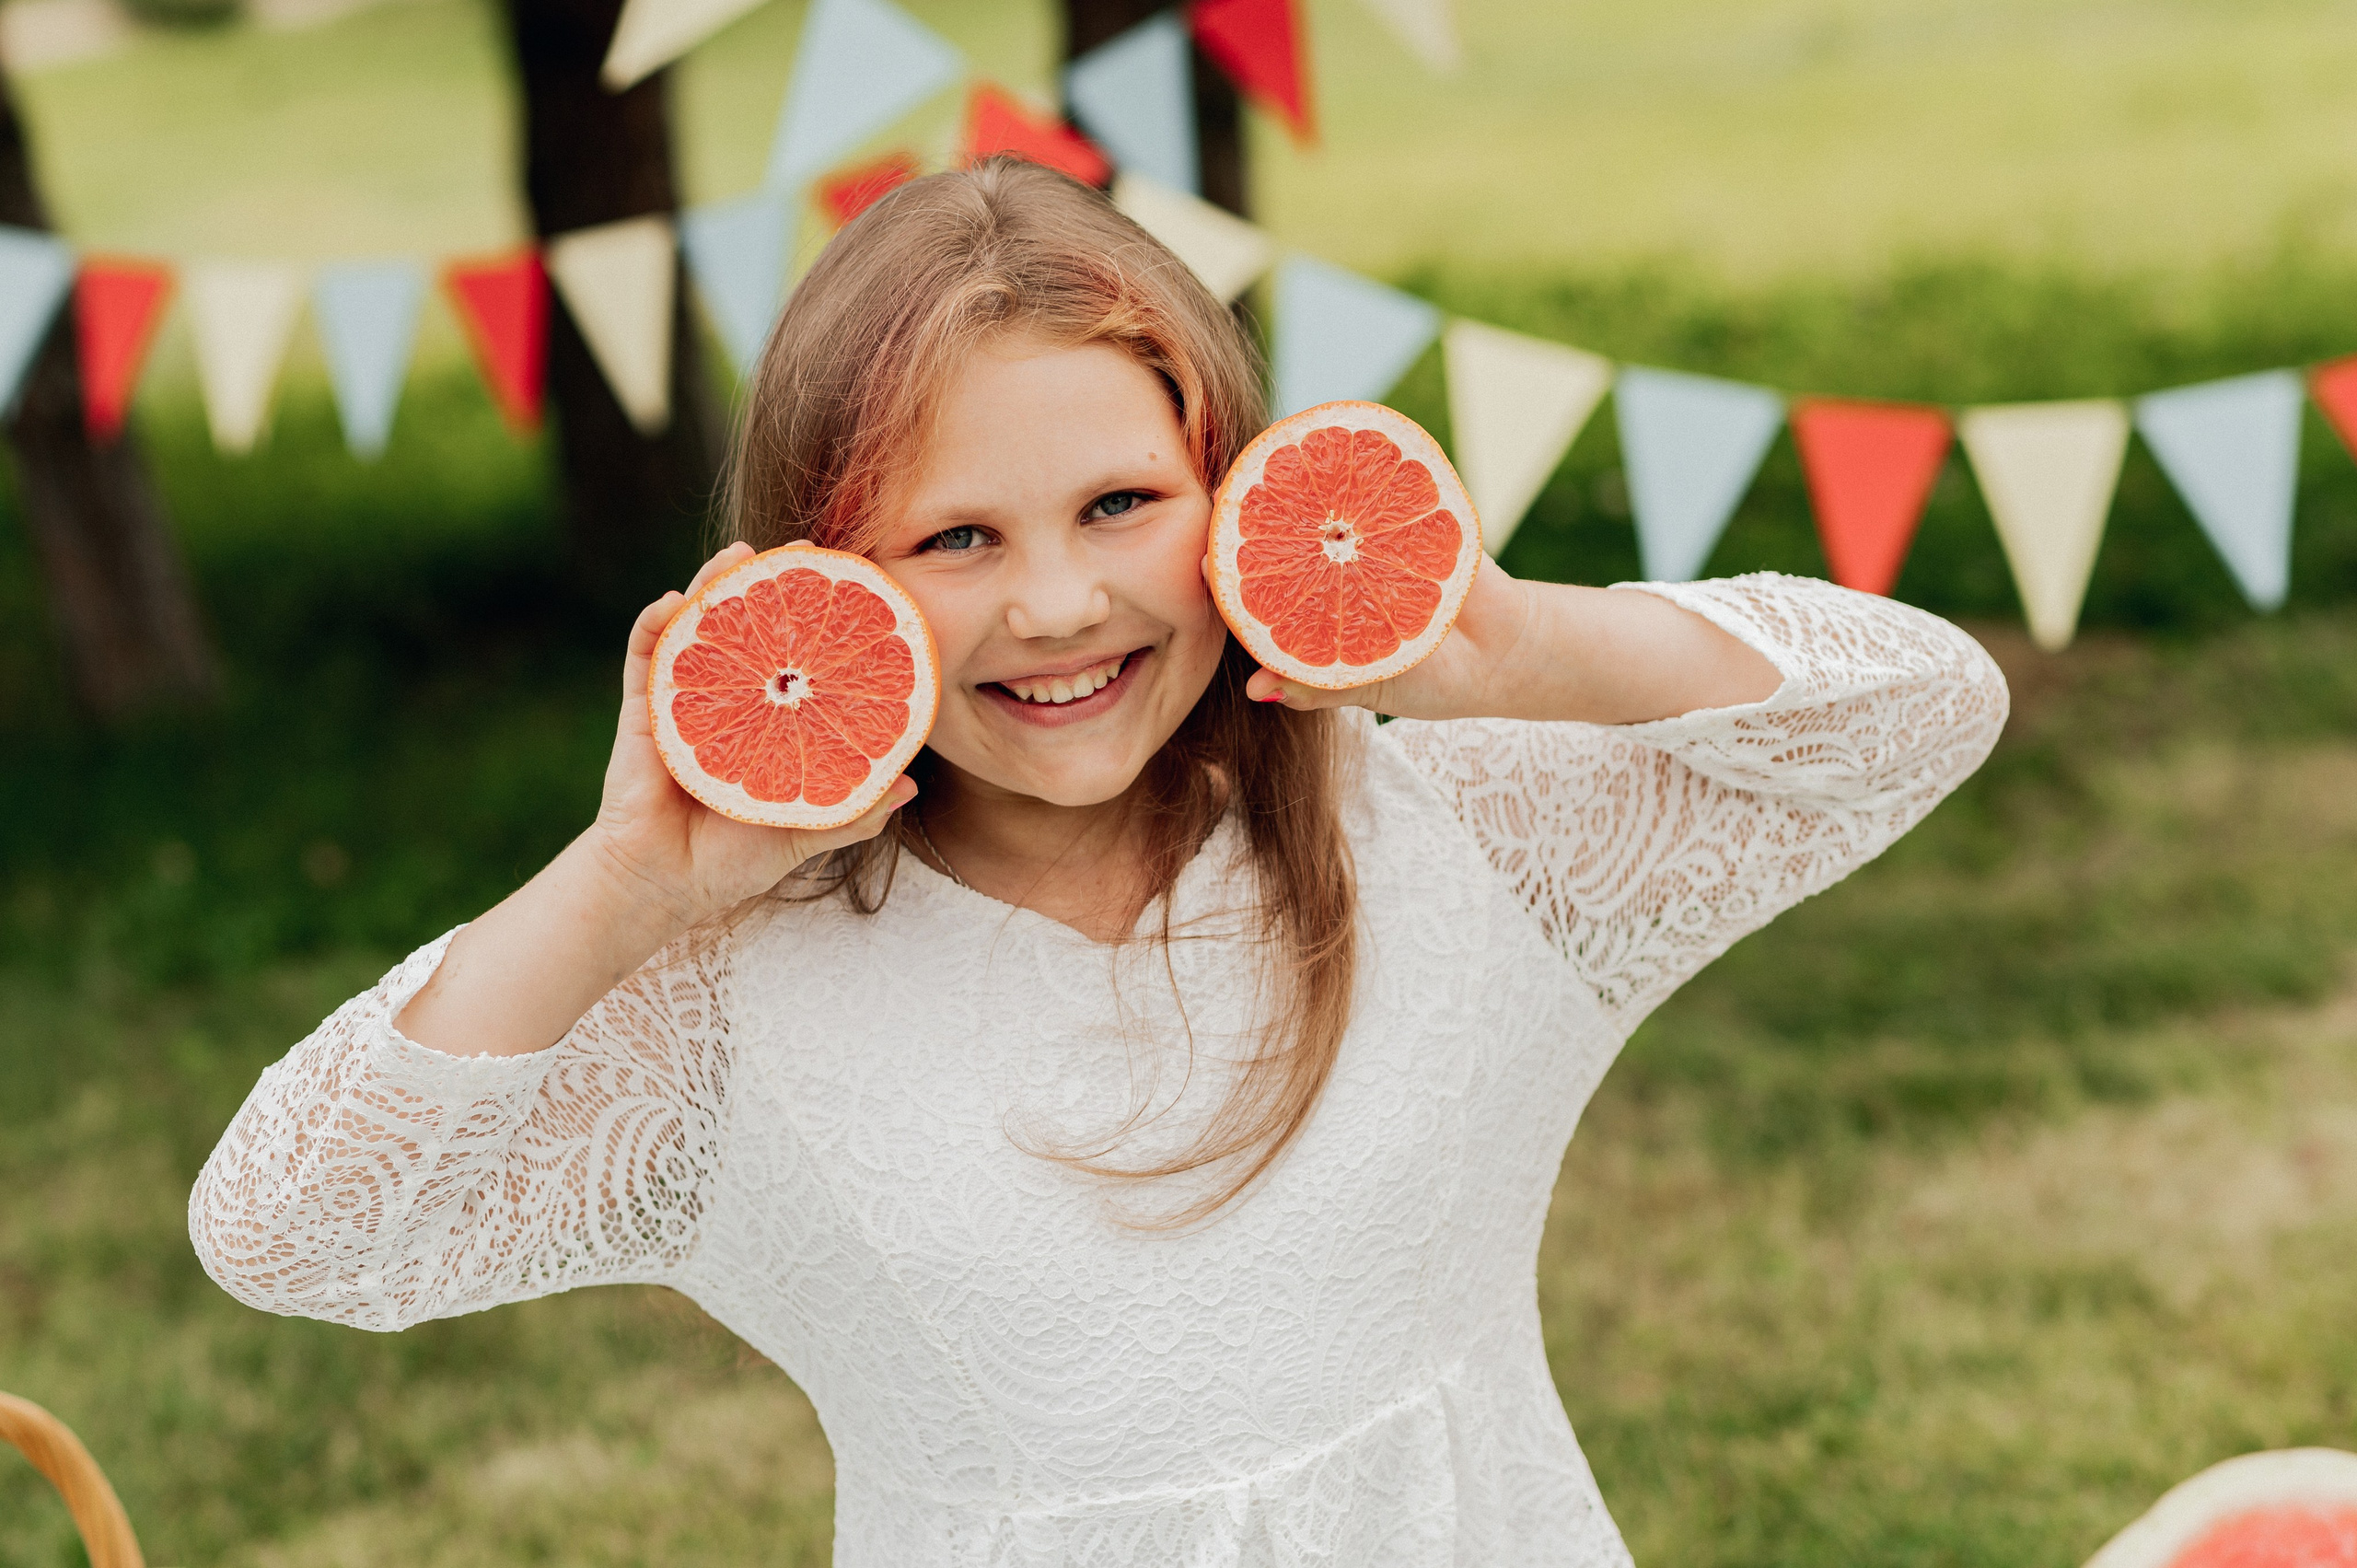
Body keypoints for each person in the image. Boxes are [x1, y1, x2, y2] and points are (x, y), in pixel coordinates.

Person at [190, 157, 2009, 1566]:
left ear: (1236, 485)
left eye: (1119, 505)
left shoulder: (1448, 829)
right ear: (818, 584)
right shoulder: (724, 1002)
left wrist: (1522, 650)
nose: (1057, 603)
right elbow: (289, 1229)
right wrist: (620, 888)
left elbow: (1915, 709)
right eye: (954, 537)